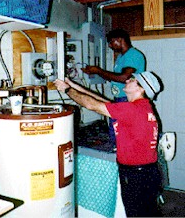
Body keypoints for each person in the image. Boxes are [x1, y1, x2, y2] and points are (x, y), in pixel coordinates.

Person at [54, 71, 163, 217]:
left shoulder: (132, 109)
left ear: (141, 88)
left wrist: (66, 90)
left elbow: (90, 105)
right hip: (147, 172)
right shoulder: (140, 107)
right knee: (148, 212)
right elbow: (103, 102)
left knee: (138, 214)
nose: (126, 81)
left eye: (131, 80)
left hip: (137, 175)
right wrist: (74, 85)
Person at [82, 28, 146, 149]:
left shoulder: (133, 55)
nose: (110, 46)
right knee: (115, 132)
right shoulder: (121, 57)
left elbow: (123, 77)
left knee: (121, 134)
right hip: (119, 99)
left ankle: (121, 155)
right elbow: (116, 77)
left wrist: (98, 70)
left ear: (120, 40)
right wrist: (95, 72)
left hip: (127, 100)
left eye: (111, 42)